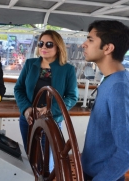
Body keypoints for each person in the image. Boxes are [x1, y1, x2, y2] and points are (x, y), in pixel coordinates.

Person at [80, 20, 129, 181]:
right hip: (92, 171)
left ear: (108, 48)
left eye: (90, 40)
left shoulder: (119, 87)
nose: (84, 44)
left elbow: (128, 152)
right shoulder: (111, 79)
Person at [14, 30, 78, 170]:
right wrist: (26, 109)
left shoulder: (67, 69)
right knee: (31, 158)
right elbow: (19, 89)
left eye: (49, 44)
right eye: (41, 43)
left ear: (58, 47)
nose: (43, 47)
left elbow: (72, 97)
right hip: (29, 120)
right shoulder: (30, 64)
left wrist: (51, 109)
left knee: (47, 163)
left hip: (52, 121)